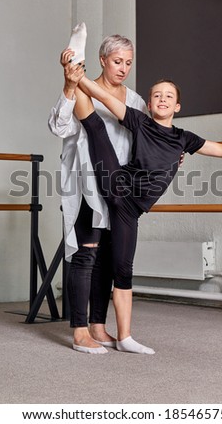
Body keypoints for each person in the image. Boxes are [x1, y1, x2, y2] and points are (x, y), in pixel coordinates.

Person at [66, 22, 222, 355]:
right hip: (117, 184)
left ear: (177, 106)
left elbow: (221, 149)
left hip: (132, 209)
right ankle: (75, 59)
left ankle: (125, 337)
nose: (162, 99)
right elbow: (103, 95)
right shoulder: (139, 121)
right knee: (94, 127)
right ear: (148, 104)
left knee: (123, 268)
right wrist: (76, 77)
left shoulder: (184, 138)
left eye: (169, 96)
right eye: (156, 95)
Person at [48, 25, 148, 354]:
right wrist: (68, 83)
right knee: (85, 255)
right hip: (88, 184)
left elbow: (144, 144)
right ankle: (78, 331)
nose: (123, 68)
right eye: (118, 61)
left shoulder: (134, 101)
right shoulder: (82, 90)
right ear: (103, 60)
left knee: (107, 257)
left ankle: (98, 325)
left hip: (119, 190)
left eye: (129, 62)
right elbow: (58, 127)